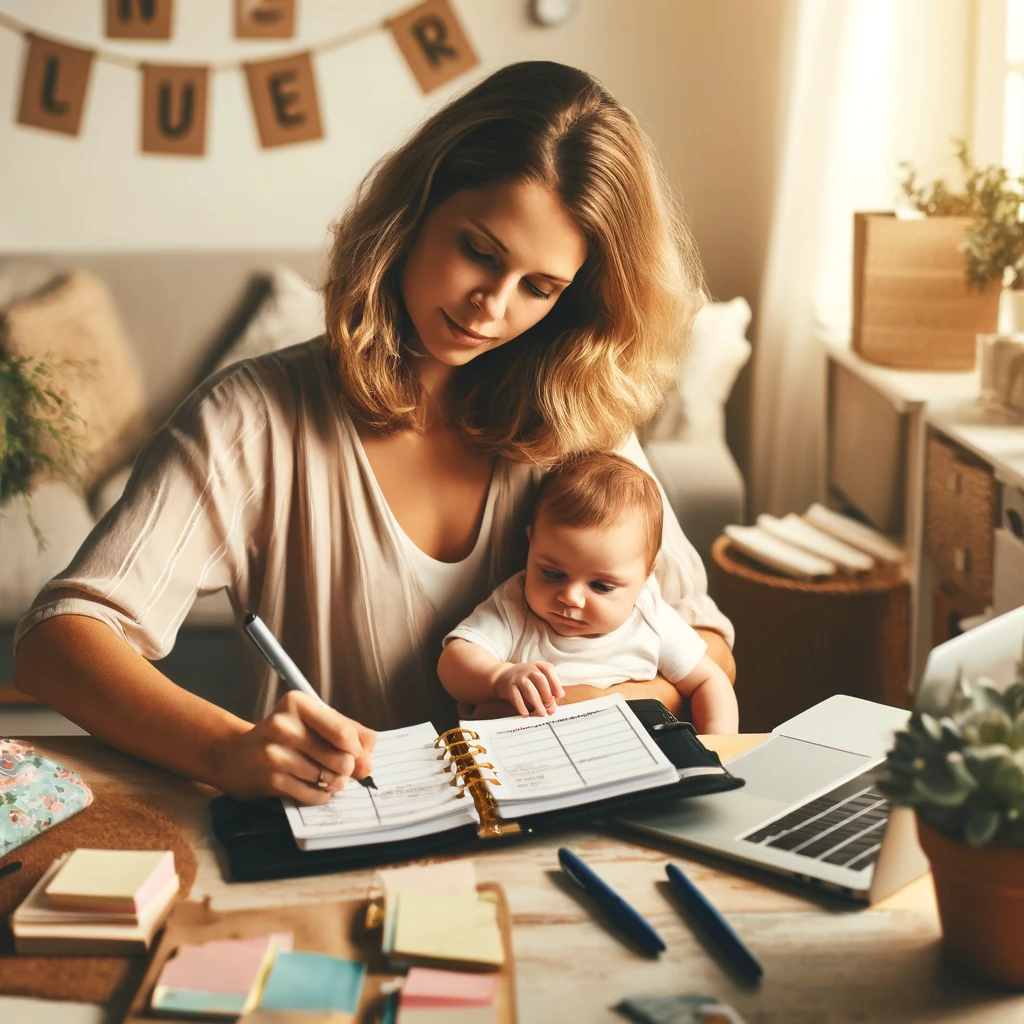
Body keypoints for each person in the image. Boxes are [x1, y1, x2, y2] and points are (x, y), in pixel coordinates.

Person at [13, 60, 735, 807]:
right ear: (415, 210)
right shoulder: (256, 417)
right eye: (480, 252)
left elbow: (705, 639)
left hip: (554, 843)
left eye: (539, 287)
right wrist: (228, 749)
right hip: (338, 842)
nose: (492, 306)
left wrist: (601, 702)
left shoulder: (579, 423)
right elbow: (57, 642)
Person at [438, 454, 739, 733]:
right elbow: (454, 660)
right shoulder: (516, 607)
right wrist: (497, 678)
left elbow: (710, 681)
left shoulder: (651, 619)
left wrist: (719, 751)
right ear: (531, 543)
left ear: (648, 574)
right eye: (552, 574)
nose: (571, 597)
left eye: (601, 586)